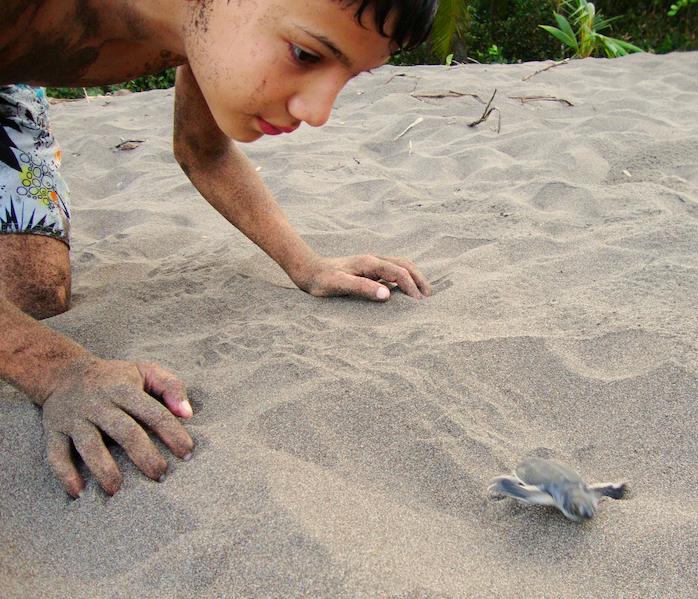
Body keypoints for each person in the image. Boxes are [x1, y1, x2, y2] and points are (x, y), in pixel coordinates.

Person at [0, 0, 436, 498]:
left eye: (350, 74)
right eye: (304, 54)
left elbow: (204, 151)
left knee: (34, 298)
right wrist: (56, 369)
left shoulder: (201, 22)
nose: (318, 112)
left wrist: (307, 265)